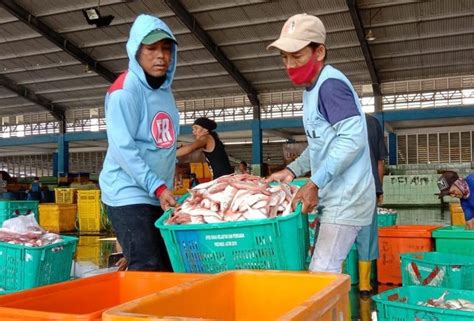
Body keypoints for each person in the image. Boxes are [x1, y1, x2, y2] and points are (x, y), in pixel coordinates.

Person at [266, 14, 375, 273]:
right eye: (284, 57)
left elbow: (352, 140)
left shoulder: (330, 86)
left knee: (322, 272)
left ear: (320, 51)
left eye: (297, 55)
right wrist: (292, 170)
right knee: (323, 271)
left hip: (347, 197)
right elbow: (319, 143)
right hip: (336, 195)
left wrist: (315, 182)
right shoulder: (313, 88)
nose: (290, 64)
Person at [99, 14, 179, 271]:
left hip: (158, 195)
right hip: (128, 194)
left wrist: (165, 185)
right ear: (136, 50)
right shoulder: (124, 91)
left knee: (169, 267)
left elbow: (162, 144)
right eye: (152, 48)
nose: (160, 56)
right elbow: (123, 149)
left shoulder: (165, 91)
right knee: (147, 267)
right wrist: (157, 186)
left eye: (166, 49)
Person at [354, 113, 387, 296]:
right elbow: (380, 161)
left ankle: (339, 279)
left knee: (337, 233)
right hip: (368, 187)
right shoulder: (373, 122)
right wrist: (378, 189)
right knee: (366, 234)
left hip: (341, 188)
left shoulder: (336, 119)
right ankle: (364, 285)